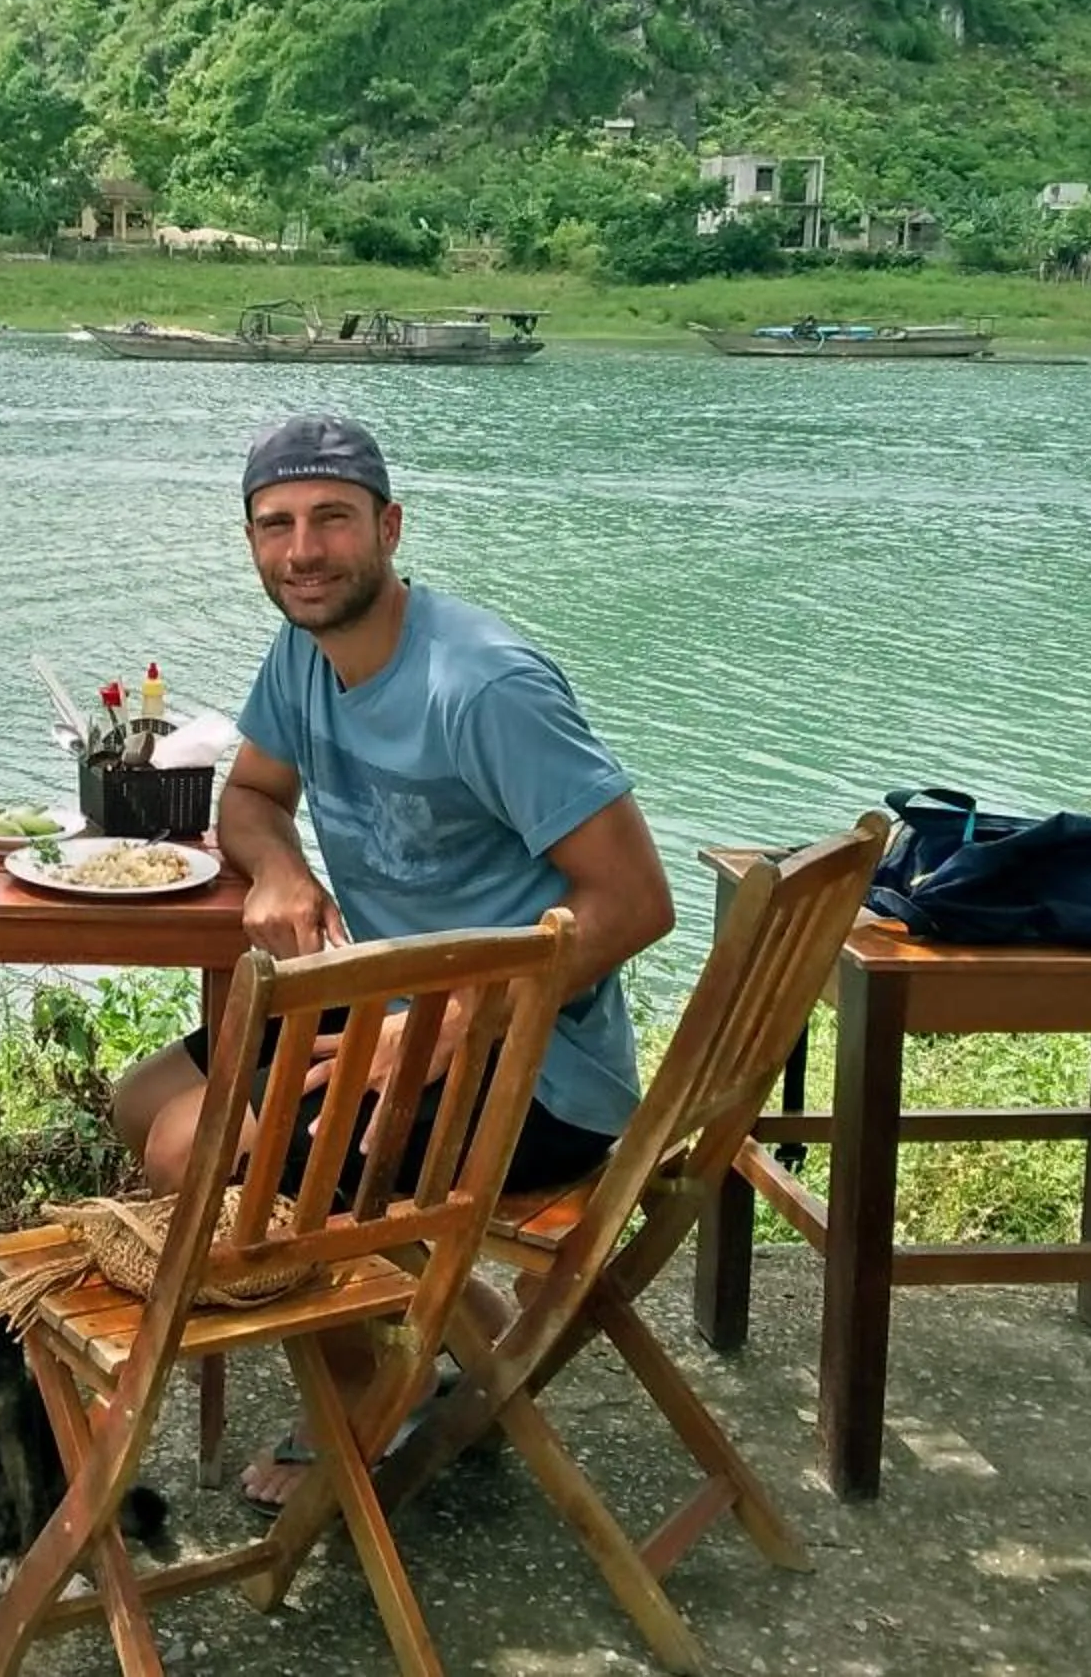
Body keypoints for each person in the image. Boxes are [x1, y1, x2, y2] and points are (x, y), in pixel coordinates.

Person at [110, 413, 674, 1506]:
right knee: (144, 1098)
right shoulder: (304, 655)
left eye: (331, 520)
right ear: (252, 543)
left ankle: (377, 1396)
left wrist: (457, 1018)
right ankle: (467, 1330)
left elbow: (635, 901)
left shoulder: (484, 686)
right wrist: (277, 871)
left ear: (390, 527)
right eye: (276, 525)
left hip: (535, 1067)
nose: (303, 550)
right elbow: (254, 796)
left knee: (190, 1152)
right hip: (393, 1010)